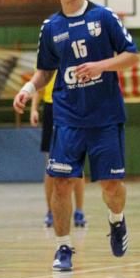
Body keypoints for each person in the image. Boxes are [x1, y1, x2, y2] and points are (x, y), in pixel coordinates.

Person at [13, 0, 138, 272]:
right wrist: (28, 90)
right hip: (67, 117)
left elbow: (131, 56)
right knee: (61, 183)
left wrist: (101, 65)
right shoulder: (51, 27)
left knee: (111, 187)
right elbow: (44, 72)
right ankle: (63, 247)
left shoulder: (104, 18)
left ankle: (117, 220)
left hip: (105, 116)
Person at [30, 71, 85, 228]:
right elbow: (39, 82)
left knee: (77, 161)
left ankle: (79, 210)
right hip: (51, 107)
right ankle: (50, 211)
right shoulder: (47, 51)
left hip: (74, 105)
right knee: (50, 164)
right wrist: (34, 108)